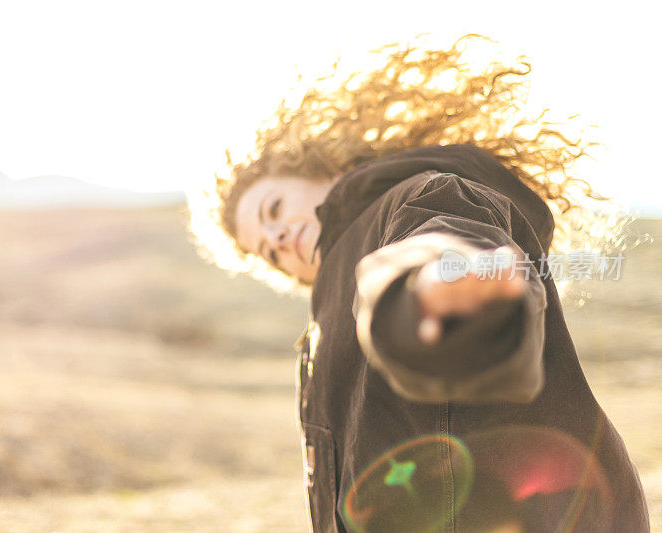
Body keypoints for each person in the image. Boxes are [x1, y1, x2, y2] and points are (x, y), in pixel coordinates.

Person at [188, 36, 649, 532]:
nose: (279, 238)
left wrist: (437, 289)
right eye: (268, 251)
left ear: (324, 169)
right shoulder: (337, 297)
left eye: (273, 209)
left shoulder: (421, 196)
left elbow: (451, 241)